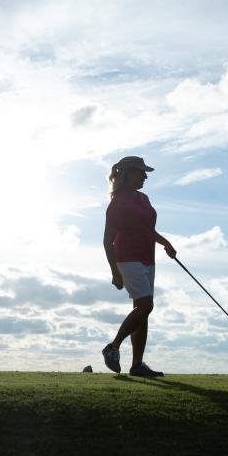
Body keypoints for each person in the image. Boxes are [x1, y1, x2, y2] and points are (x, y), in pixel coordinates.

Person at [100, 156, 176, 377]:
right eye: (141, 172)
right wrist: (115, 272)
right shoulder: (117, 204)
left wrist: (166, 244)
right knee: (145, 306)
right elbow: (107, 240)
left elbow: (147, 231)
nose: (145, 176)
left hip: (147, 258)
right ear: (127, 174)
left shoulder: (143, 198)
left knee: (142, 312)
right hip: (127, 258)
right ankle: (113, 347)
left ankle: (137, 365)